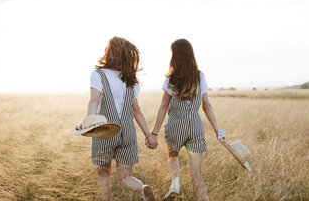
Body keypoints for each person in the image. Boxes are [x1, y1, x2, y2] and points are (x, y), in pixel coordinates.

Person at [78, 37, 157, 201]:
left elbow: (94, 100)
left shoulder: (98, 75)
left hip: (106, 130)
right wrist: (148, 134)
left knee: (104, 175)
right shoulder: (132, 80)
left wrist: (89, 122)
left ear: (109, 53)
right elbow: (137, 110)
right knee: (125, 178)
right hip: (128, 133)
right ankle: (142, 189)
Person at [146, 39, 225, 201]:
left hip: (175, 126)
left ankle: (175, 182)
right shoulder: (200, 76)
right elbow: (207, 105)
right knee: (196, 176)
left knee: (173, 155)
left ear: (174, 56)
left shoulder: (171, 79)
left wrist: (153, 133)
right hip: (195, 127)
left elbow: (163, 106)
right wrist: (218, 131)